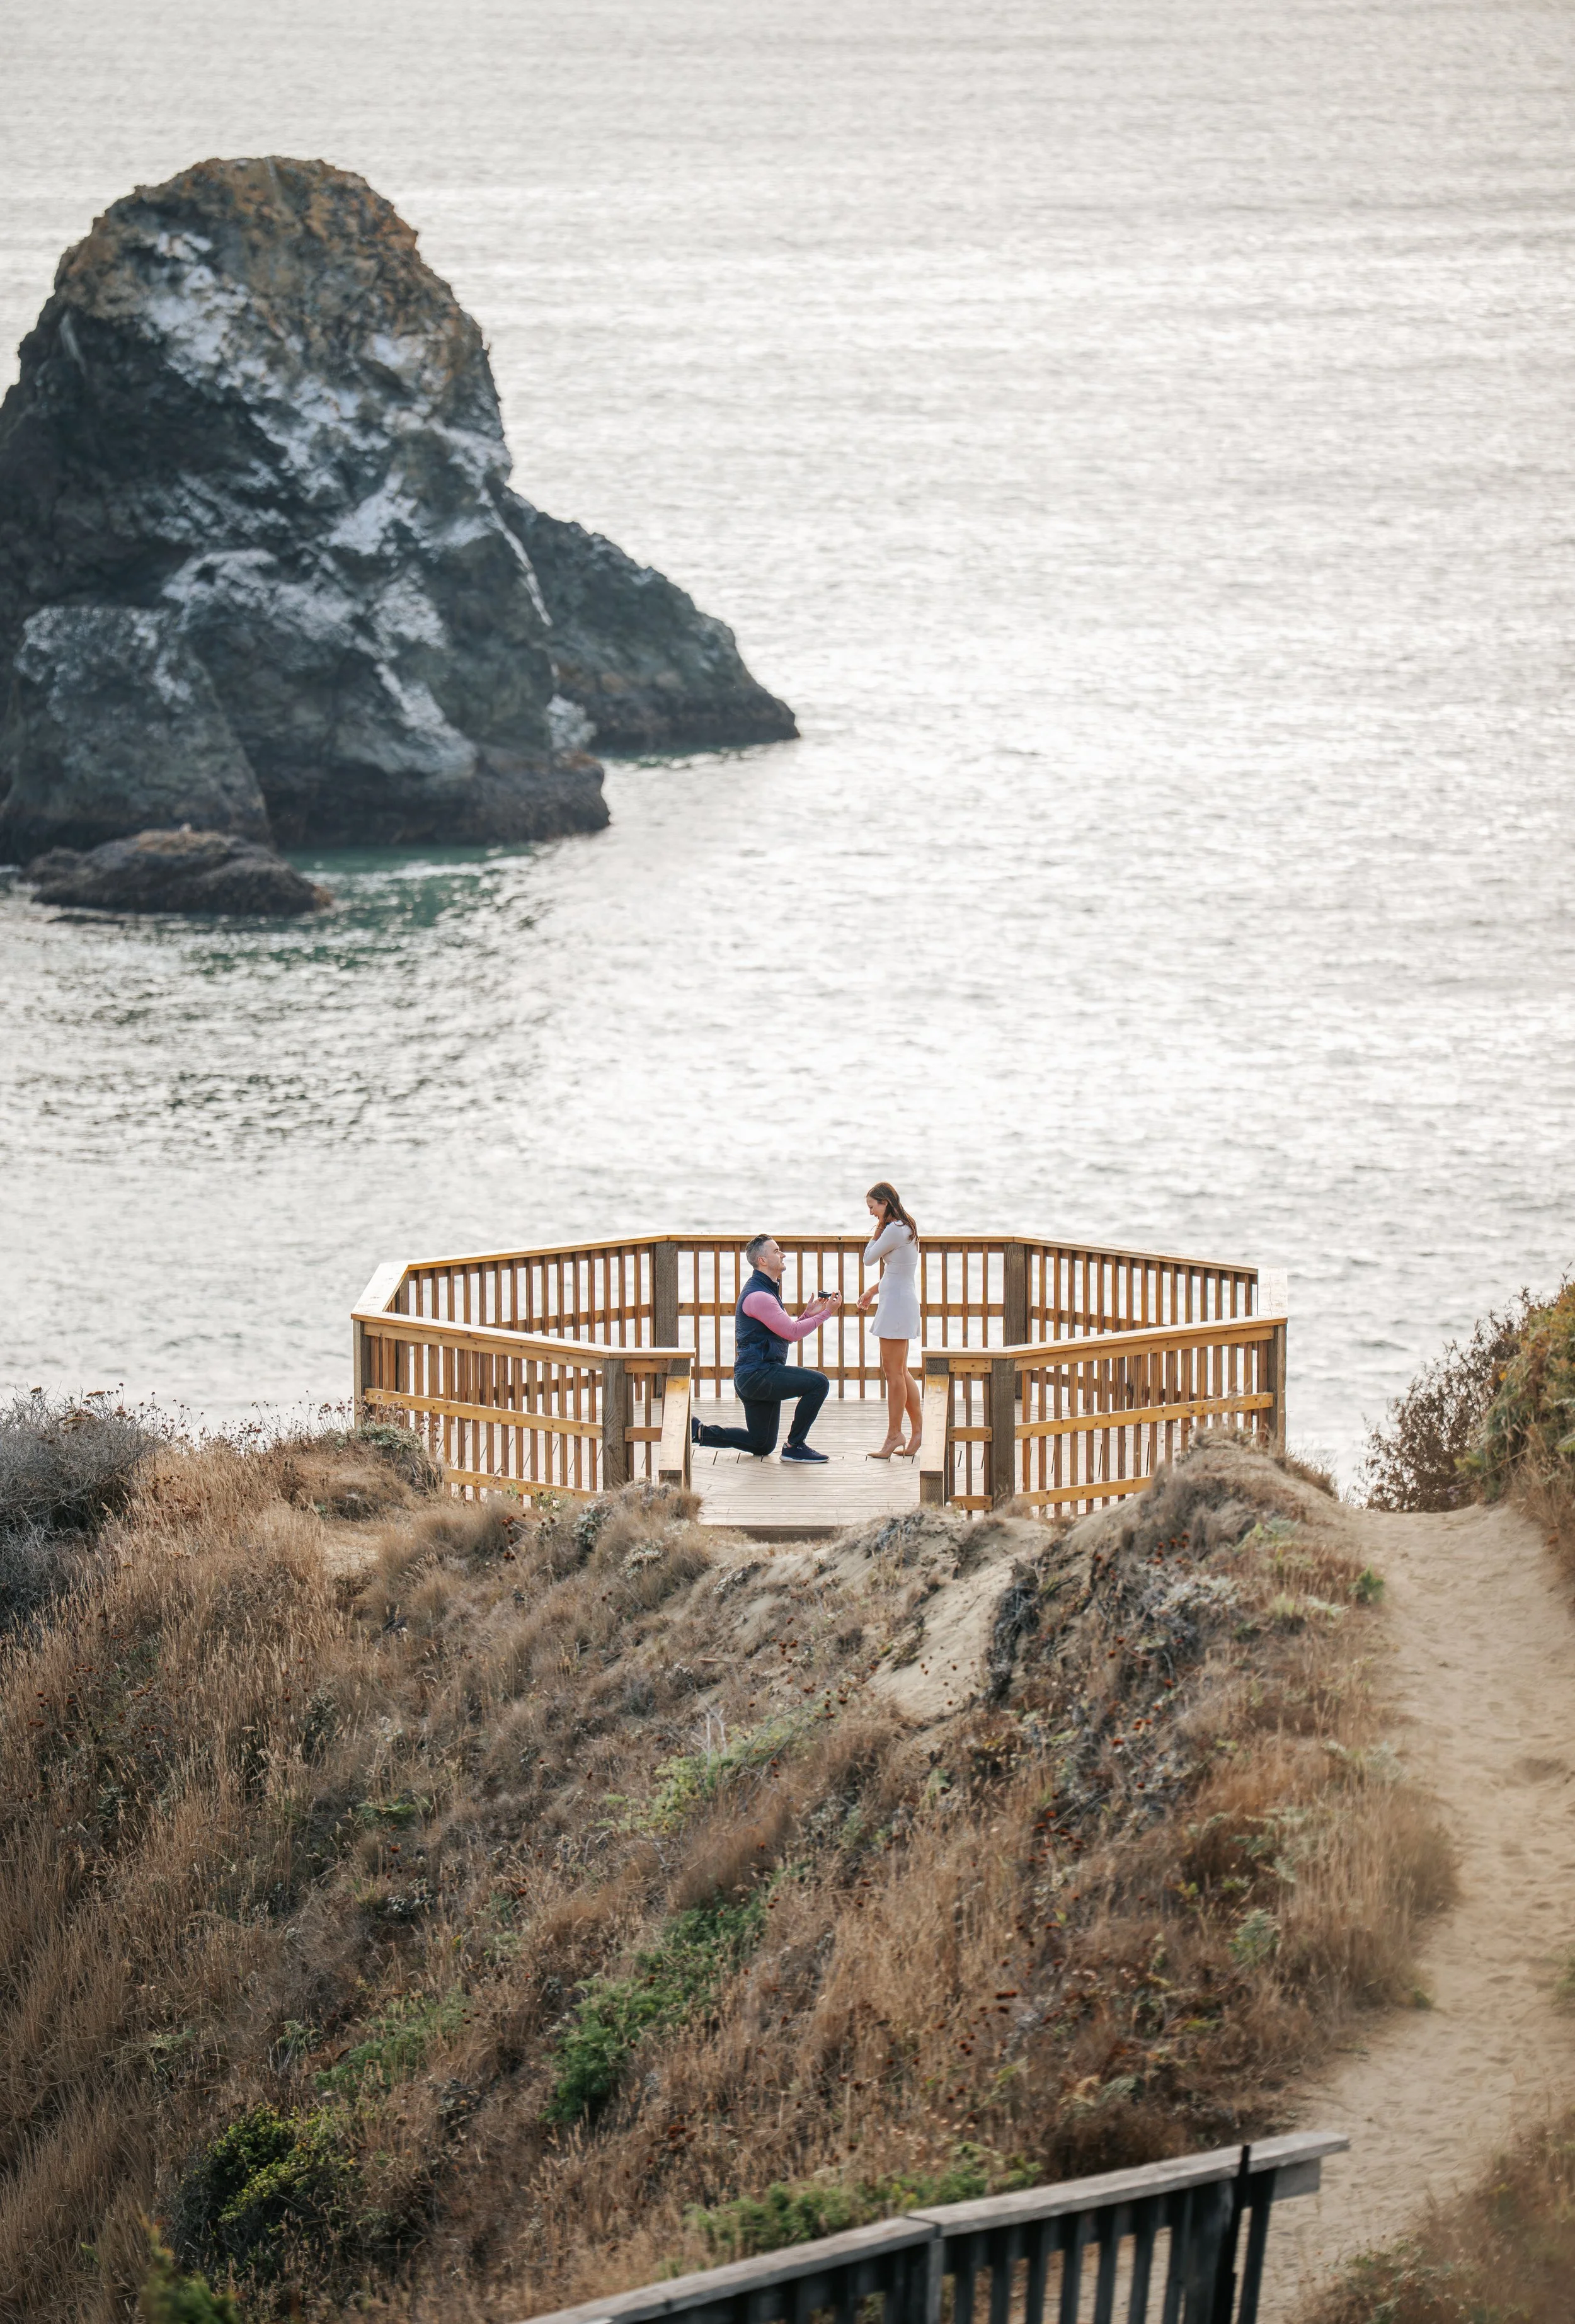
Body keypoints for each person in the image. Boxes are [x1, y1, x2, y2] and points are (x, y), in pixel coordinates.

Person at [692, 1233, 842, 1463]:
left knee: (762, 1444)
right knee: (819, 1383)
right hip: (758, 1375)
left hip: (755, 1376)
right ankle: (795, 1446)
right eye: (776, 1251)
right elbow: (792, 1333)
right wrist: (826, 1313)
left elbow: (785, 1335)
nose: (782, 1255)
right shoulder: (760, 1296)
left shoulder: (767, 1290)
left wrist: (807, 1315)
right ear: (762, 1261)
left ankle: (699, 1432)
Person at [856, 1181, 922, 1458]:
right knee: (900, 1370)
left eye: (873, 1207)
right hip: (898, 1299)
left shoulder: (894, 1229)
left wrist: (880, 1228)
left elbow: (869, 1258)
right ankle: (917, 1432)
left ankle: (895, 1435)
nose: (871, 1213)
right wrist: (873, 1290)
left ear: (885, 1203)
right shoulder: (906, 1226)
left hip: (896, 1305)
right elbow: (897, 1272)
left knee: (893, 1372)